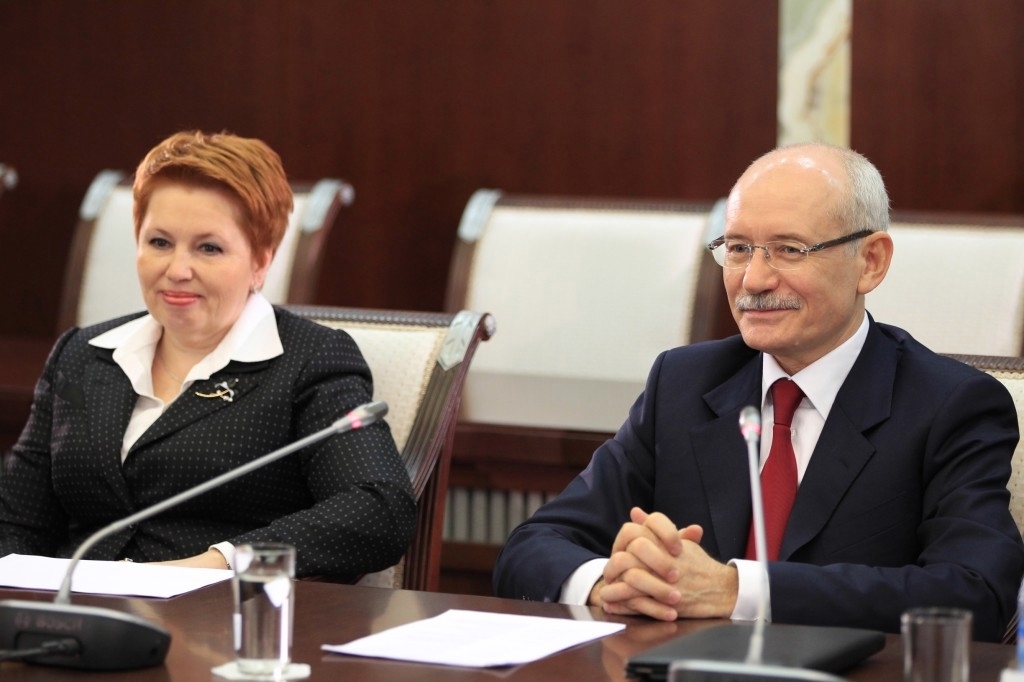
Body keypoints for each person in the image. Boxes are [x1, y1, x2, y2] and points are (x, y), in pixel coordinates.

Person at [492, 142, 1024, 642]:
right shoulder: (684, 382)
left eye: (789, 250)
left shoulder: (950, 405)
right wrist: (608, 583)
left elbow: (976, 594)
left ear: (870, 262)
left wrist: (736, 591)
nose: (753, 280)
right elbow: (533, 547)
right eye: (739, 249)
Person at [0, 130, 417, 581]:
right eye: (159, 242)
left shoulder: (309, 361)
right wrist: (26, 596)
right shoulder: (82, 355)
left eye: (209, 248)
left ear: (261, 261)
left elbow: (379, 509)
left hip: (220, 612)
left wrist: (218, 565)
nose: (177, 270)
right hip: (74, 611)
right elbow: (16, 521)